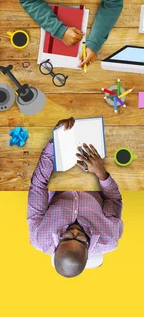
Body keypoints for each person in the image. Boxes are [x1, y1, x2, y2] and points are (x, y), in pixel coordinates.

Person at [27, 118, 123, 278]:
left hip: (59, 174)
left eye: (67, 236)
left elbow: (38, 185)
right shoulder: (108, 238)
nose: (75, 230)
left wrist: (55, 140)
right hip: (94, 174)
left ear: (56, 247)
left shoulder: (40, 236)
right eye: (81, 237)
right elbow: (114, 200)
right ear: (88, 250)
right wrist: (101, 173)